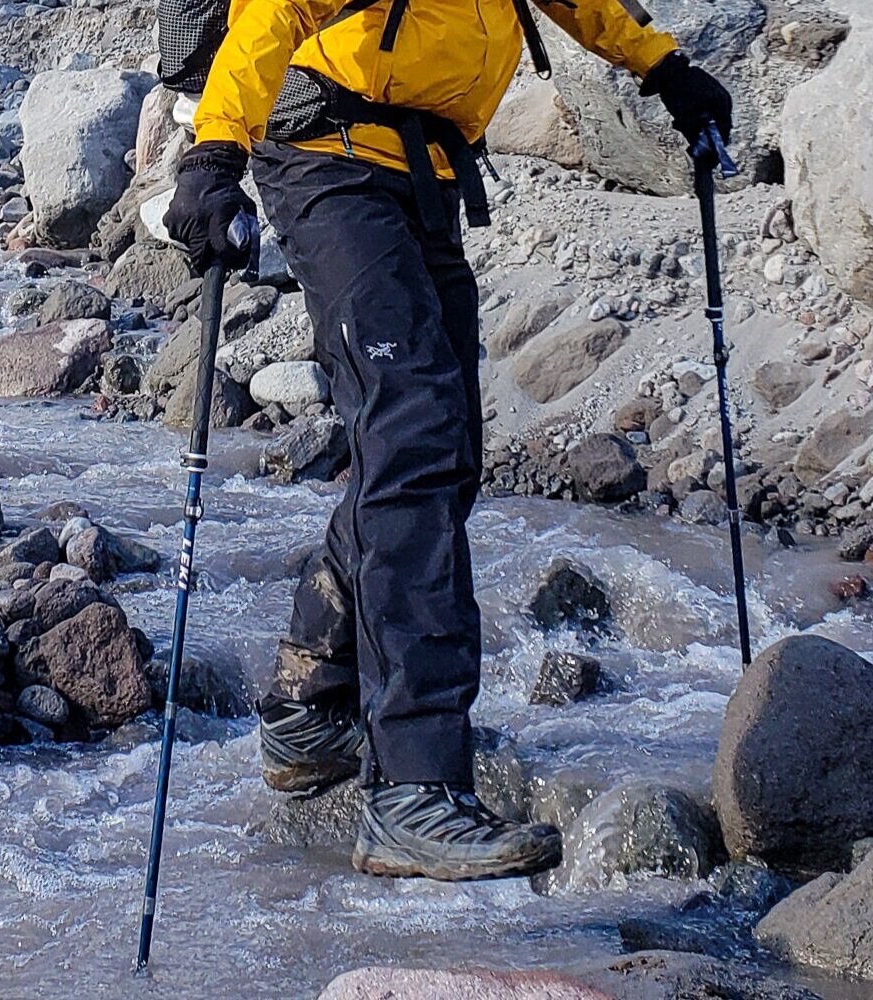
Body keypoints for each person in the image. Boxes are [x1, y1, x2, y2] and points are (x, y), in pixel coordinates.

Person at [162, 0, 732, 882]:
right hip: (328, 161)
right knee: (414, 433)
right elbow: (275, 10)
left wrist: (665, 69)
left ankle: (311, 702)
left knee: (441, 448)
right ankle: (415, 786)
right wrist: (213, 153)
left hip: (418, 168)